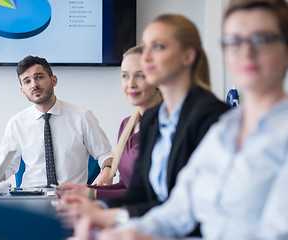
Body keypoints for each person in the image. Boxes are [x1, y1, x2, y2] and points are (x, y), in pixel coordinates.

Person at [86, 0, 288, 239]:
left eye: (261, 39)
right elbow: (177, 211)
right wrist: (117, 226)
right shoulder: (224, 130)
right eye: (233, 42)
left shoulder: (215, 119)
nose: (246, 52)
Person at [59, 13, 230, 235]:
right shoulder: (153, 118)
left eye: (157, 47)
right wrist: (96, 208)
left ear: (187, 56)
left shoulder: (210, 117)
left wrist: (109, 215)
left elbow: (185, 209)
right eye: (145, 47)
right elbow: (139, 194)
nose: (146, 57)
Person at [0, 56, 114, 191]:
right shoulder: (17, 123)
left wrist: (107, 170)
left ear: (54, 80)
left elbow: (106, 155)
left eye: (39, 77)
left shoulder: (82, 116)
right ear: (23, 90)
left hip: (71, 197)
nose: (34, 84)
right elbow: (7, 167)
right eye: (27, 81)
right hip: (29, 197)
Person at [57, 46, 162, 200]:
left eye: (140, 76)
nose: (130, 84)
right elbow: (126, 186)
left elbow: (151, 193)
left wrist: (91, 193)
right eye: (125, 76)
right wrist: (81, 189)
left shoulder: (168, 126)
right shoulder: (127, 125)